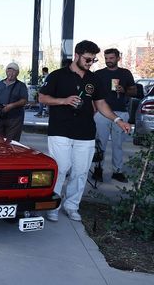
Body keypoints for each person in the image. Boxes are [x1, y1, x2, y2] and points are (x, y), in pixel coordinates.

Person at [38, 40, 131, 222]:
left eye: (93, 60)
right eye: (88, 59)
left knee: (80, 172)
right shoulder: (58, 75)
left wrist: (118, 120)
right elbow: (42, 98)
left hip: (85, 132)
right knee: (61, 169)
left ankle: (72, 206)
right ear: (77, 56)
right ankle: (53, 206)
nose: (90, 63)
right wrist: (63, 101)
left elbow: (101, 103)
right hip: (60, 130)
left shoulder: (93, 79)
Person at [92, 48, 136, 183]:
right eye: (106, 58)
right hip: (102, 114)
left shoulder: (125, 73)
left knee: (118, 144)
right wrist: (95, 111)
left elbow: (133, 91)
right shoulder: (98, 74)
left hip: (121, 112)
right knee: (100, 144)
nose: (108, 61)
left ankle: (117, 171)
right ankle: (98, 170)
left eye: (111, 58)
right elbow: (92, 94)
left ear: (118, 58)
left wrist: (125, 90)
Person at [0, 62, 28, 141]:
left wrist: (11, 106)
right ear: (6, 72)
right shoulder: (0, 83)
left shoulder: (21, 85)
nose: (10, 73)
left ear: (17, 73)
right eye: (9, 71)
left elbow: (24, 101)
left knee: (12, 142)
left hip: (14, 118)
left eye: (13, 71)